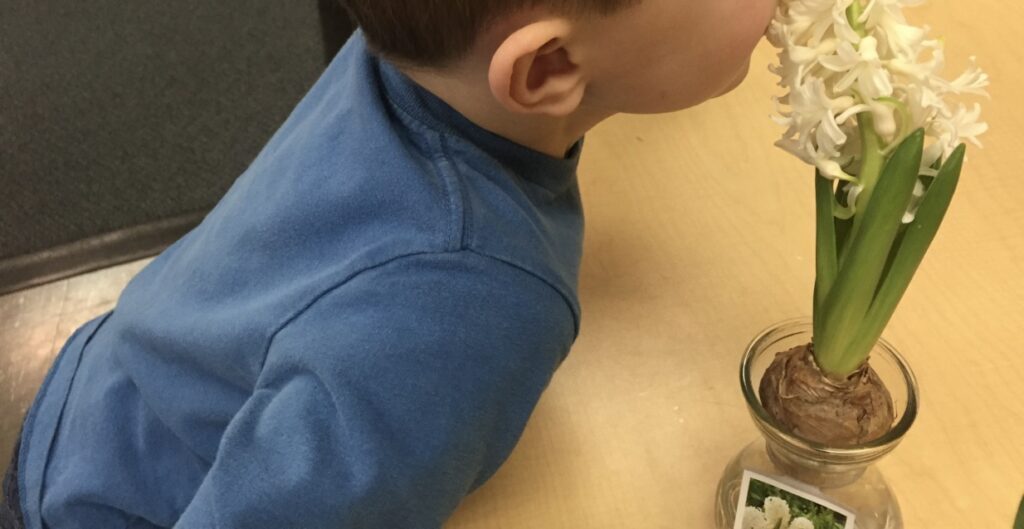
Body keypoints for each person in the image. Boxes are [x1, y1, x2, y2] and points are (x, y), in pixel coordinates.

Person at [1, 0, 776, 527]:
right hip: (113, 498)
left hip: (112, 386)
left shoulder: (415, 59)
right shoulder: (460, 310)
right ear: (544, 70)